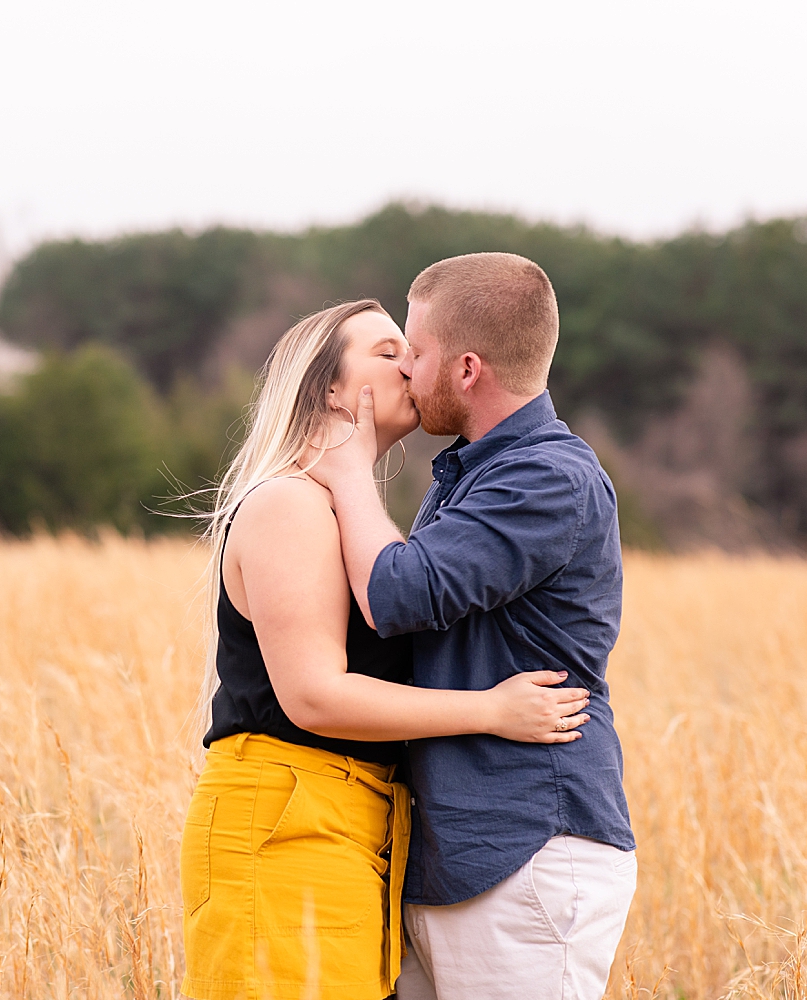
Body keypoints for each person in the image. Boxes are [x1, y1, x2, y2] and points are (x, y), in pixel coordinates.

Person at [180, 298, 594, 1000]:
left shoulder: (344, 512)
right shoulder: (291, 504)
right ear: (329, 389)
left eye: (409, 349)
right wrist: (488, 712)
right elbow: (314, 695)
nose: (407, 363)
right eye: (384, 350)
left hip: (345, 821)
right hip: (289, 816)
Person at [308, 254, 637, 1000]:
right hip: (458, 851)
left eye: (413, 355)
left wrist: (349, 471)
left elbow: (396, 593)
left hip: (525, 843)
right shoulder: (475, 474)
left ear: (464, 370)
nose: (404, 374)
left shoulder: (547, 478)